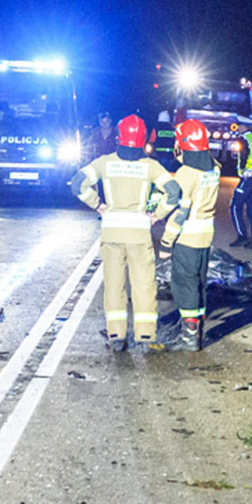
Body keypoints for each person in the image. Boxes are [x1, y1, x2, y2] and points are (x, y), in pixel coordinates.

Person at [70, 115, 170, 354]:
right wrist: (157, 214)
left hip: (112, 233)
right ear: (143, 138)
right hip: (139, 234)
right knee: (144, 285)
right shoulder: (151, 166)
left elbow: (77, 184)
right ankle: (145, 334)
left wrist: (97, 205)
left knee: (114, 285)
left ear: (118, 137)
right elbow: (173, 192)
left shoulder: (105, 162)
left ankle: (117, 336)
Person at [158, 119, 221, 352]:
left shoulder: (186, 173)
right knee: (199, 284)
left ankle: (189, 338)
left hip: (187, 237)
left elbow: (180, 212)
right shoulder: (214, 167)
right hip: (206, 235)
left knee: (185, 286)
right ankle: (196, 332)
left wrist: (166, 242)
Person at [229, 129, 252, 249]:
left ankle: (242, 236)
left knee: (234, 206)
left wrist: (243, 169)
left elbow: (244, 155)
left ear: (242, 127)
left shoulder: (243, 139)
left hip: (248, 177)